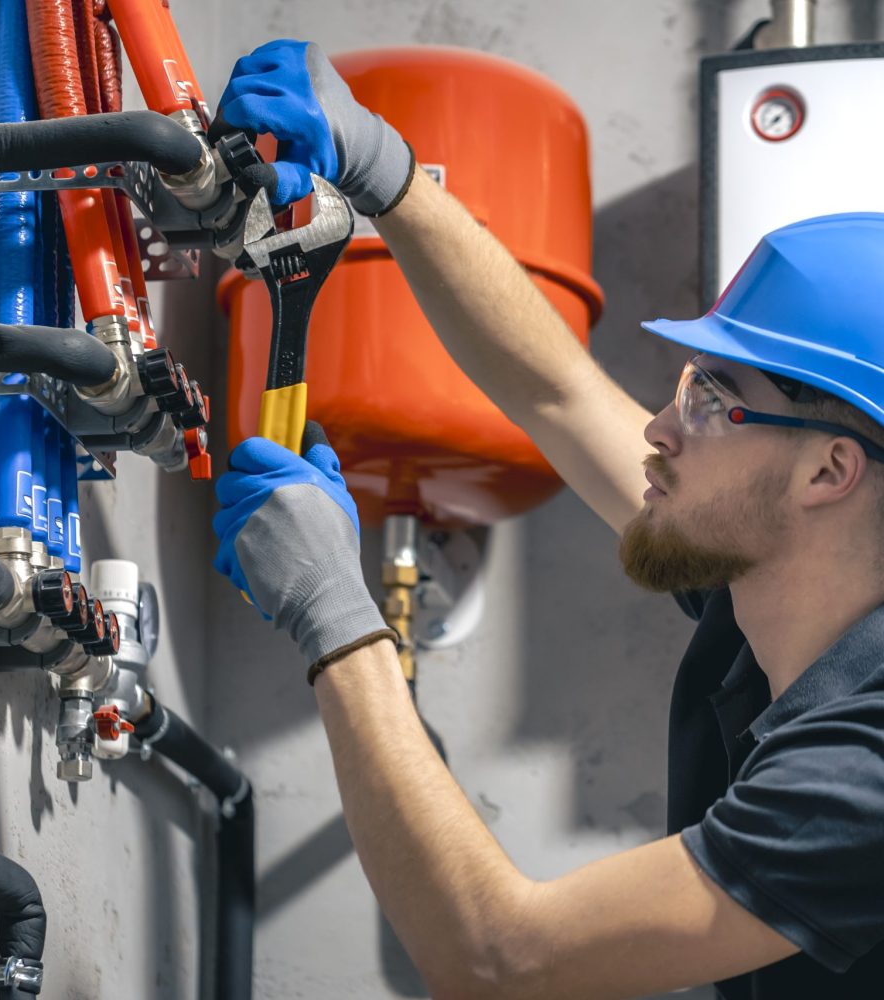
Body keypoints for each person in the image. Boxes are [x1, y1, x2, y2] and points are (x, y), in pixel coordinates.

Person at [212, 40, 884, 999]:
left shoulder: (865, 772)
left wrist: (334, 615)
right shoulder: (769, 585)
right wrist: (388, 174)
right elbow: (558, 390)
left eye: (711, 399)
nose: (657, 426)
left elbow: (500, 960)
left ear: (829, 470)